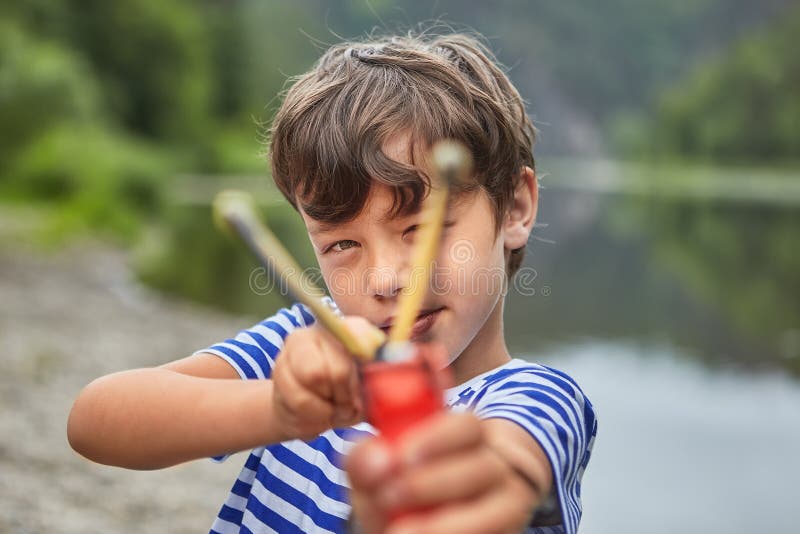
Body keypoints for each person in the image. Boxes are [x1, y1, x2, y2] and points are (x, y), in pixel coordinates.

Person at [68, 31, 596, 534]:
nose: (387, 279)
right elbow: (96, 420)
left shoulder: (538, 399)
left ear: (516, 207)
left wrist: (486, 484)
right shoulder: (313, 336)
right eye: (343, 244)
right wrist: (278, 408)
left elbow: (508, 466)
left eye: (419, 228)